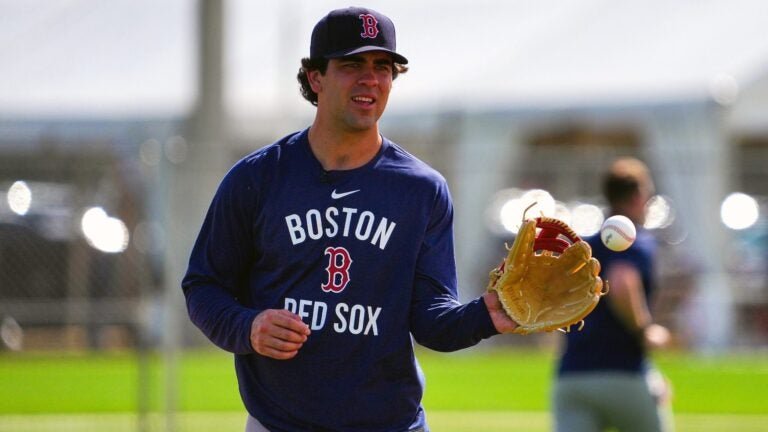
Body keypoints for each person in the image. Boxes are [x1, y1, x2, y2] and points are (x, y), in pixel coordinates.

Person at [181, 7, 518, 431]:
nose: (370, 79)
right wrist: (248, 327)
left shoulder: (421, 190)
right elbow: (204, 285)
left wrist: (488, 314)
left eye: (383, 67)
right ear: (315, 78)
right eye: (352, 65)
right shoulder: (258, 178)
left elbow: (431, 320)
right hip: (281, 423)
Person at [553, 157, 674, 432]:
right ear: (638, 196)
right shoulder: (637, 242)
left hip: (572, 375)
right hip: (623, 373)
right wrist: (645, 330)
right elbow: (620, 281)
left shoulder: (585, 248)